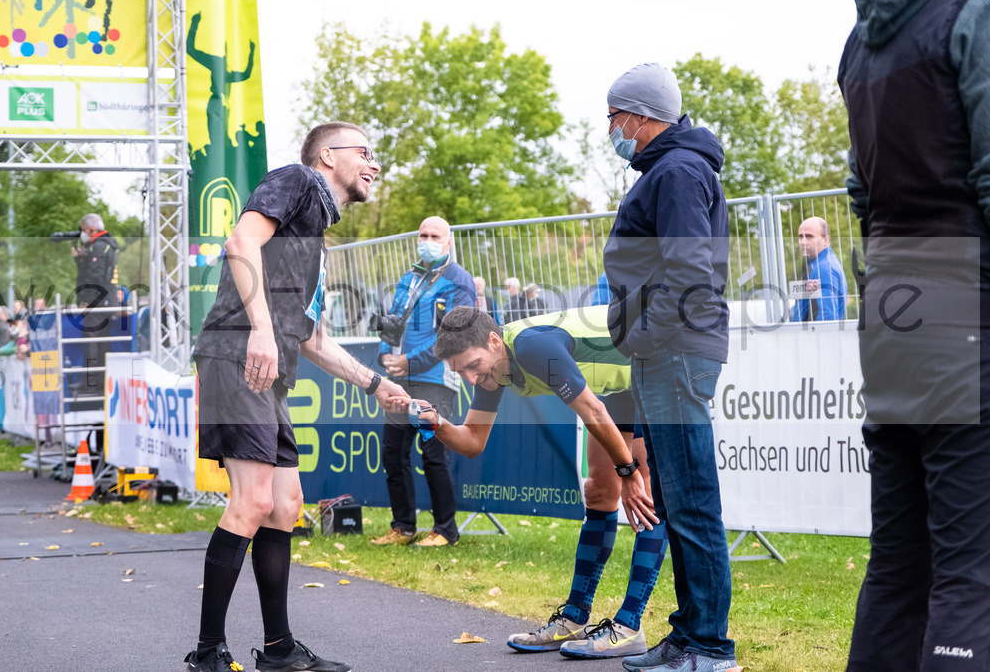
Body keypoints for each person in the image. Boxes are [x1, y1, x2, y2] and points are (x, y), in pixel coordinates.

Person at [189, 121, 409, 672]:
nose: (373, 163)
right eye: (364, 151)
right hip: (236, 356)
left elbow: (314, 339)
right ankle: (208, 652)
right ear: (328, 156)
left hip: (270, 373)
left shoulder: (317, 242)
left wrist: (379, 386)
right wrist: (260, 329)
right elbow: (239, 242)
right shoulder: (296, 180)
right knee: (254, 502)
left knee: (285, 507)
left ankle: (280, 649)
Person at [839, 0, 990, 669]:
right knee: (970, 570)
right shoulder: (971, 13)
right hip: (958, 302)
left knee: (898, 564)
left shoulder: (860, 39)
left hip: (892, 305)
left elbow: (860, 192)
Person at [421, 305, 665, 660]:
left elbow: (593, 411)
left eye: (473, 366)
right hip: (619, 379)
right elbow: (473, 442)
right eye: (462, 373)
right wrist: (436, 423)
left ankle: (629, 627)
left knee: (644, 493)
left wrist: (628, 472)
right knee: (599, 490)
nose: (472, 379)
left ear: (493, 341)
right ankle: (575, 617)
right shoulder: (494, 368)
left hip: (652, 362)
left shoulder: (530, 348)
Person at [602, 63, 736, 672]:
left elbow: (688, 272)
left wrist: (645, 338)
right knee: (679, 501)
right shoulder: (670, 168)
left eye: (614, 117)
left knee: (693, 501)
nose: (610, 129)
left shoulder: (679, 169)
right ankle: (688, 634)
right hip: (668, 349)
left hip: (676, 349)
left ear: (641, 115)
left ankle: (710, 645)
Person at [371, 216, 477, 548]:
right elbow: (392, 322)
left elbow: (453, 335)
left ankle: (446, 530)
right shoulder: (410, 277)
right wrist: (385, 356)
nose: (427, 240)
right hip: (400, 379)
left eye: (435, 235)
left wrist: (410, 361)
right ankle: (403, 527)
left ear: (448, 242)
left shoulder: (460, 281)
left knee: (433, 455)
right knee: (392, 453)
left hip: (436, 379)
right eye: (423, 234)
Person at [71, 213, 118, 394]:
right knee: (102, 342)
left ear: (91, 229)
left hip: (97, 302)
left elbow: (95, 277)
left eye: (84, 231)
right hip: (105, 301)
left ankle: (91, 385)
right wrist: (81, 259)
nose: (83, 234)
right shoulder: (107, 245)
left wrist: (85, 300)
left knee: (92, 342)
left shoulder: (99, 246)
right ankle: (99, 384)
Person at [789, 217, 847, 322]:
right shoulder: (816, 265)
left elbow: (828, 317)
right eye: (801, 237)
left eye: (809, 237)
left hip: (814, 337)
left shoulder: (824, 268)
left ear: (826, 240)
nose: (803, 242)